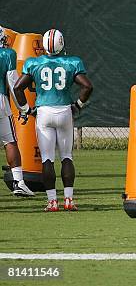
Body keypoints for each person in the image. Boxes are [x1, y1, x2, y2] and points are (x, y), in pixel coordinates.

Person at [14, 29, 93, 211]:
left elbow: (18, 88)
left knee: (47, 159)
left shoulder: (34, 63)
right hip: (64, 110)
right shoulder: (72, 62)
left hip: (44, 112)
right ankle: (68, 200)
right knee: (66, 157)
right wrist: (78, 105)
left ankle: (52, 201)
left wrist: (27, 110)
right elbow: (87, 86)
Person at [0, 26, 35, 197]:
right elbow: (14, 84)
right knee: (10, 141)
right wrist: (23, 108)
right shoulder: (7, 55)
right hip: (0, 102)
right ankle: (19, 182)